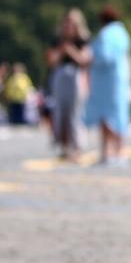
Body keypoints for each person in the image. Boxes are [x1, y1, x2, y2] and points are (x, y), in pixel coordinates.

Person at [84, 6, 131, 166]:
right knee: (120, 115)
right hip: (120, 79)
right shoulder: (123, 33)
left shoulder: (106, 34)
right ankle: (121, 151)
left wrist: (90, 59)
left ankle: (107, 152)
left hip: (105, 82)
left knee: (106, 117)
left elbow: (104, 56)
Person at [45, 9, 91, 158]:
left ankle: (77, 146)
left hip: (76, 76)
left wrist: (70, 51)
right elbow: (51, 60)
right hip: (59, 76)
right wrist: (61, 50)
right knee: (60, 111)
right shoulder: (57, 40)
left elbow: (84, 60)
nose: (67, 26)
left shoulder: (82, 40)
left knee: (74, 112)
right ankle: (64, 146)